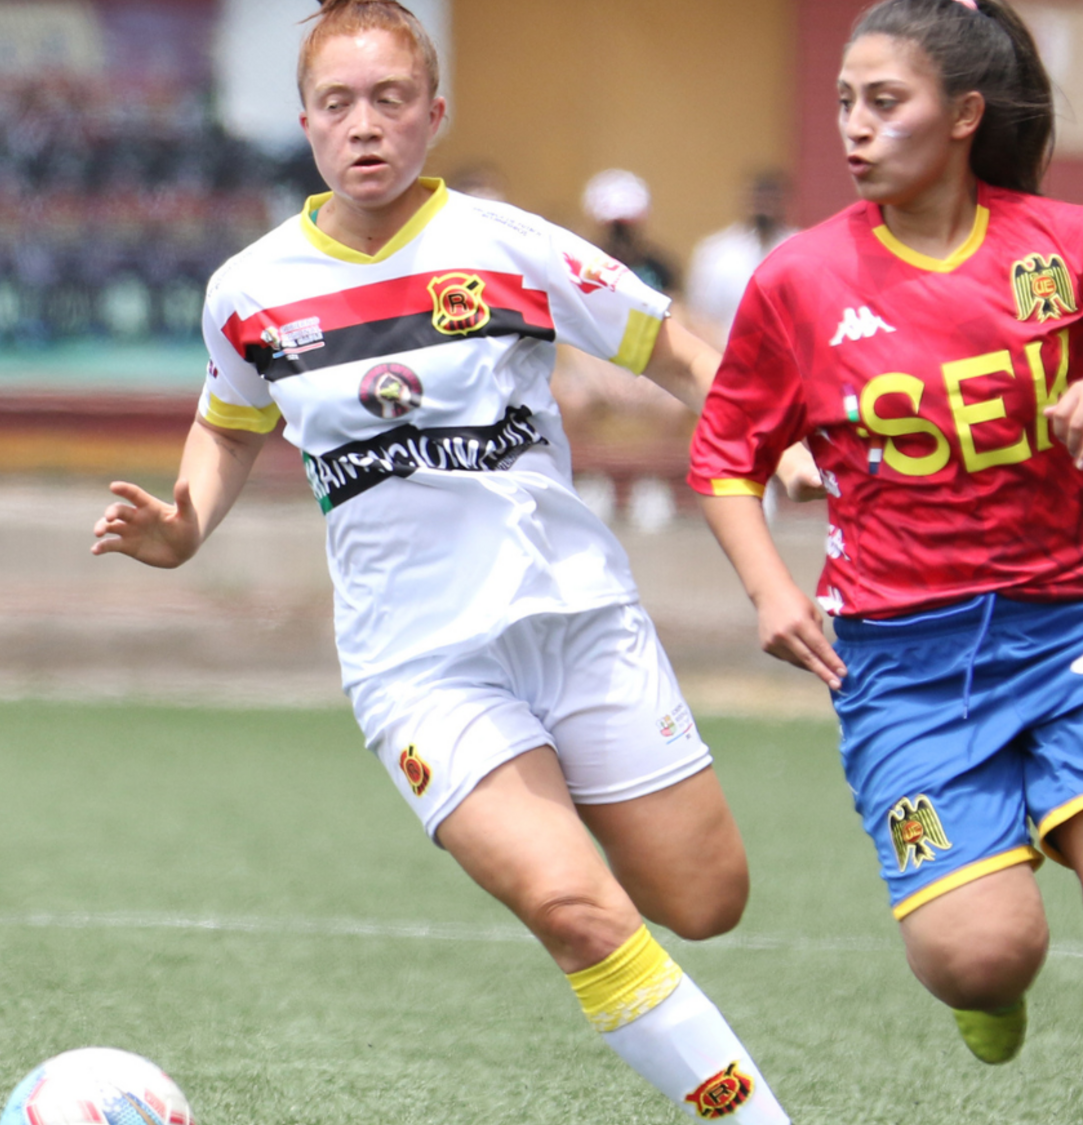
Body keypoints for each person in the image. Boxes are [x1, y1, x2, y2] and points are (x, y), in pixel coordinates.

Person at [90, 3, 791, 1121]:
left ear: (432, 113)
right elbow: (229, 425)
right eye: (337, 104)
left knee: (704, 899)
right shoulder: (249, 290)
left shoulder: (511, 245)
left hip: (576, 619)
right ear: (306, 123)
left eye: (388, 100)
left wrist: (771, 449)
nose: (363, 126)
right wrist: (182, 528)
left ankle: (566, 791)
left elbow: (683, 357)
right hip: (417, 660)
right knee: (577, 911)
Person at [688, 1, 1083, 1122]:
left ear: (961, 116)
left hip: (1070, 631)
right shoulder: (799, 280)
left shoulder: (1071, 247)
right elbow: (724, 457)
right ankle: (986, 983)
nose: (855, 127)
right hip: (900, 668)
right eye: (845, 103)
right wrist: (769, 591)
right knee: (981, 954)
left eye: (883, 102)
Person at [687, 171, 798, 350]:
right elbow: (700, 317)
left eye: (771, 198)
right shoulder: (715, 253)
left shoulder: (802, 250)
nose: (764, 206)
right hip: (728, 357)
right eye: (759, 198)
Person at [584, 168, 680, 296]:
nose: (620, 239)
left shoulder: (659, 270)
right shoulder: (584, 267)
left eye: (626, 229)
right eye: (615, 228)